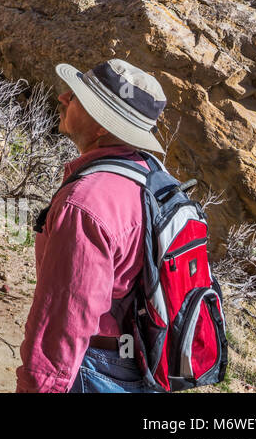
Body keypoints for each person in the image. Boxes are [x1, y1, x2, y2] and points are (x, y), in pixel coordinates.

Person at [16, 58, 169, 393]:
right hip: (140, 362)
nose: (64, 98)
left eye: (77, 96)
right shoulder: (150, 175)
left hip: (95, 368)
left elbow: (64, 325)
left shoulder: (86, 204)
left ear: (102, 124)